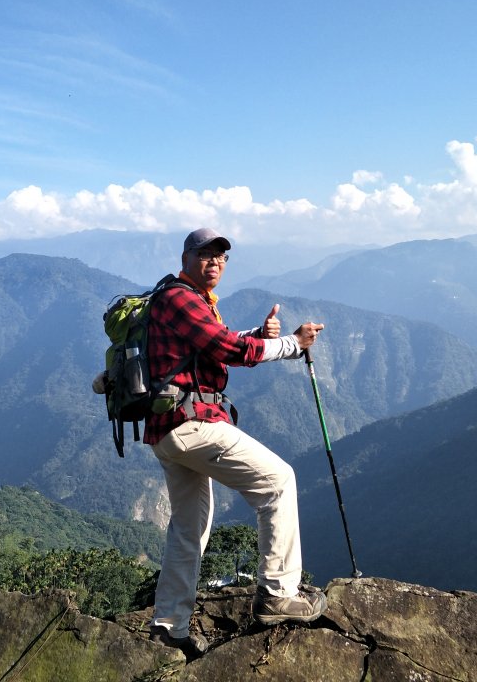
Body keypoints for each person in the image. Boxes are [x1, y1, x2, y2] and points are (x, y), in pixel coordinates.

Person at [144, 227, 326, 660]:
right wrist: (290, 345)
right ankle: (278, 594)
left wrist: (260, 335)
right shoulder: (179, 298)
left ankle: (169, 628)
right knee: (279, 481)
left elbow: (214, 346)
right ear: (186, 257)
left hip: (169, 430)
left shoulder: (185, 300)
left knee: (189, 528)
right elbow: (227, 349)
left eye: (222, 258)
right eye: (205, 255)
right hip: (193, 424)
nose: (215, 263)